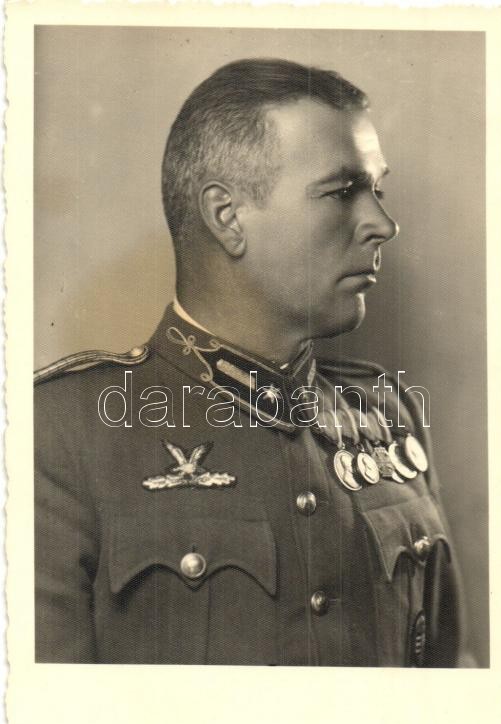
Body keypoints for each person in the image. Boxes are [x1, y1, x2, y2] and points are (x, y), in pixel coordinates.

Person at [34, 58, 466, 666]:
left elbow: (449, 686)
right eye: (342, 192)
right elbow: (40, 711)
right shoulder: (60, 430)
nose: (383, 225)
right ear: (228, 217)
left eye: (377, 190)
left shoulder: (389, 416)